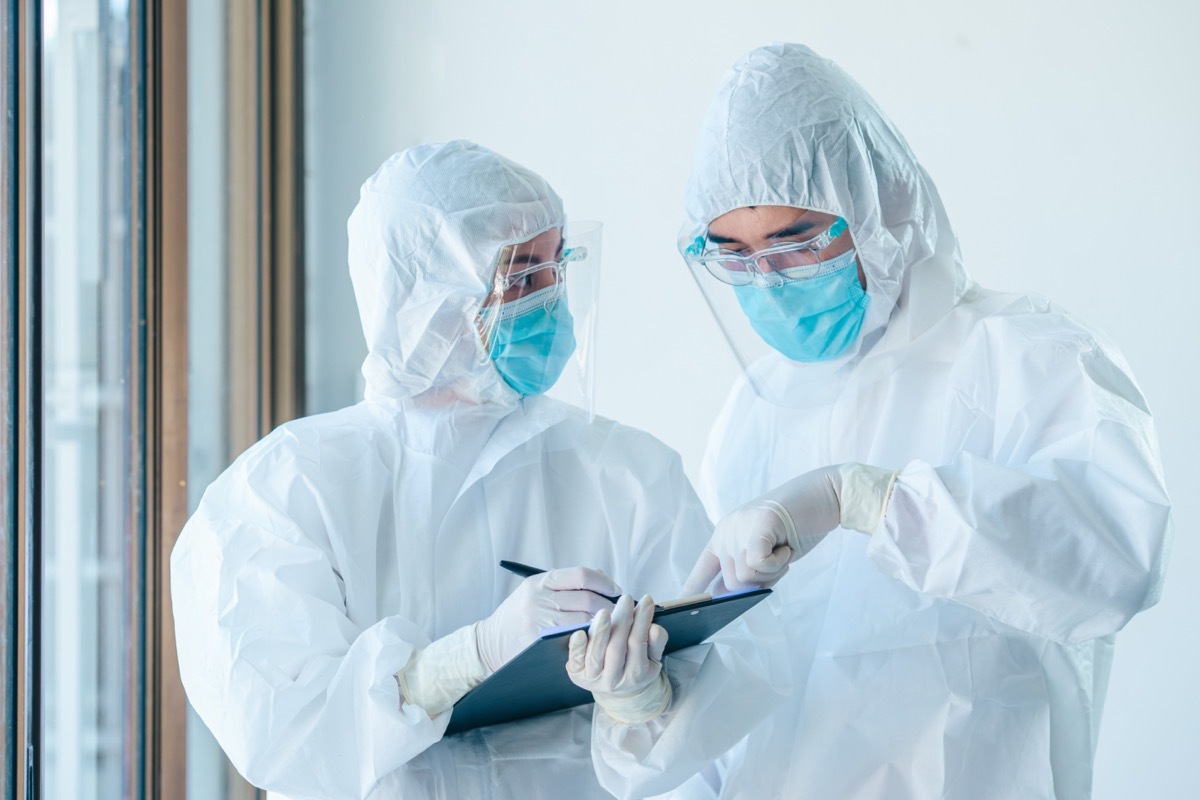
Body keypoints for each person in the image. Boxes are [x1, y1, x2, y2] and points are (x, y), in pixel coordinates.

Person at [609, 44, 1173, 798]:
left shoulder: (1025, 356)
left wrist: (866, 500)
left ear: (879, 206)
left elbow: (1111, 564)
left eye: (795, 242)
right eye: (734, 255)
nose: (768, 284)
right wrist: (644, 703)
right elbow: (748, 675)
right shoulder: (755, 412)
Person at [170, 140, 770, 799]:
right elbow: (285, 731)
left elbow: (718, 722)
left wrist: (642, 699)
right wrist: (469, 658)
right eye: (519, 277)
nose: (548, 300)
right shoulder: (287, 489)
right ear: (424, 296)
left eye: (555, 268)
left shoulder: (627, 473)